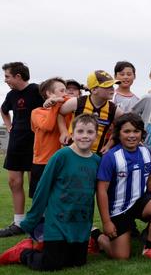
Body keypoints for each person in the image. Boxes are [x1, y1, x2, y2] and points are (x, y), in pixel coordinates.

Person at [0, 114, 101, 270]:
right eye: (80, 131)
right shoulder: (61, 156)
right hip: (57, 221)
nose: (85, 136)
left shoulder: (96, 161)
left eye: (90, 132)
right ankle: (23, 253)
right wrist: (31, 220)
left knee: (77, 263)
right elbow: (43, 188)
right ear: (72, 134)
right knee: (51, 264)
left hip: (80, 223)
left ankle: (44, 246)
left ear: (96, 135)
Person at [95, 113, 151, 262]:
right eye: (127, 131)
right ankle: (97, 236)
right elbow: (101, 190)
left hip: (138, 202)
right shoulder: (111, 157)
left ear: (142, 133)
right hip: (118, 208)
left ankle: (150, 247)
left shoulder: (145, 151)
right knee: (121, 257)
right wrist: (106, 222)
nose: (132, 135)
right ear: (118, 134)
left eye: (136, 131)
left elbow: (150, 177)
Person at [0, 62, 44, 237]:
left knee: (36, 186)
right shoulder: (11, 95)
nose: (6, 80)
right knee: (14, 182)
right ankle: (18, 223)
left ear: (18, 76)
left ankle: (37, 221)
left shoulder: (37, 90)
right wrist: (9, 126)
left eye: (7, 76)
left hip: (36, 144)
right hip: (16, 143)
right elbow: (3, 110)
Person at [58, 70, 124, 154]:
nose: (112, 89)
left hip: (96, 154)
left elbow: (120, 127)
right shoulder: (76, 102)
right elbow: (60, 114)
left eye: (112, 86)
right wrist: (63, 132)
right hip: (72, 151)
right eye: (107, 86)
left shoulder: (115, 110)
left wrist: (109, 145)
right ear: (94, 90)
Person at [29, 78, 70, 198]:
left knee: (59, 198)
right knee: (40, 200)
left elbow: (74, 101)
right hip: (42, 162)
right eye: (62, 90)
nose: (65, 94)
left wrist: (57, 102)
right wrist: (54, 106)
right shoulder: (37, 112)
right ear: (49, 93)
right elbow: (48, 126)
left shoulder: (65, 110)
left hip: (63, 162)